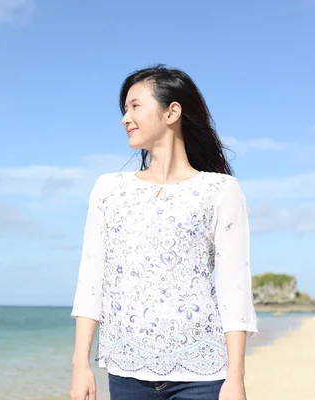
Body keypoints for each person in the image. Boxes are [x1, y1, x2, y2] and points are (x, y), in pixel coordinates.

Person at [69, 64, 258, 400]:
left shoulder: (220, 190)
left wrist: (236, 377)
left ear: (172, 112)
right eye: (124, 109)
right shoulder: (109, 189)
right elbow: (91, 278)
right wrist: (80, 363)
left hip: (203, 373)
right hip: (126, 371)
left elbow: (234, 286)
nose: (125, 118)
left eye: (135, 106)